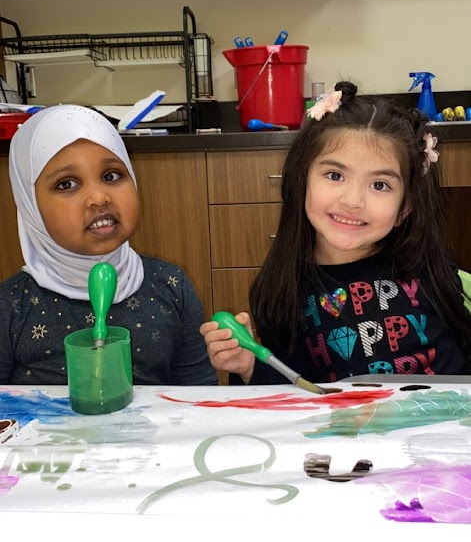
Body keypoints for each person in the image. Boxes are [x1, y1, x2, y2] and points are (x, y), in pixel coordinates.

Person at [201, 82, 471, 385]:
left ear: (405, 207)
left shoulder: (430, 271)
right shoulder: (284, 288)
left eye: (380, 185)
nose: (353, 201)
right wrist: (247, 366)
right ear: (302, 181)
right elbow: (292, 390)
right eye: (335, 175)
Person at [0, 105, 216, 386]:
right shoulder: (11, 306)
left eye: (111, 176)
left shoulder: (172, 286)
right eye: (67, 184)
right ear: (30, 205)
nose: (99, 197)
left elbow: (197, 393)